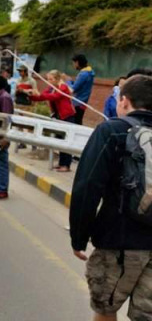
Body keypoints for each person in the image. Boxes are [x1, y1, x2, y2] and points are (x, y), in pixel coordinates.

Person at [70, 75, 152, 321]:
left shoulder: (112, 130)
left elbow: (87, 186)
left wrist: (79, 237)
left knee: (106, 309)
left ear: (124, 101)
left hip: (118, 240)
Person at [27, 70, 76, 172]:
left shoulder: (63, 87)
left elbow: (55, 96)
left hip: (67, 116)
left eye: (51, 79)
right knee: (60, 141)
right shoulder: (51, 87)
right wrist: (32, 96)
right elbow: (43, 96)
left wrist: (40, 95)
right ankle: (62, 163)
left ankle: (66, 165)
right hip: (58, 116)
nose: (48, 81)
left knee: (66, 141)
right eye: (48, 79)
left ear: (57, 79)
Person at [68, 54, 95, 125]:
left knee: (74, 122)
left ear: (77, 62)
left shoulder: (83, 74)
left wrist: (68, 81)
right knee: (77, 121)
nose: (73, 65)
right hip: (83, 102)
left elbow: (72, 89)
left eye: (74, 63)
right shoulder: (89, 72)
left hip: (78, 102)